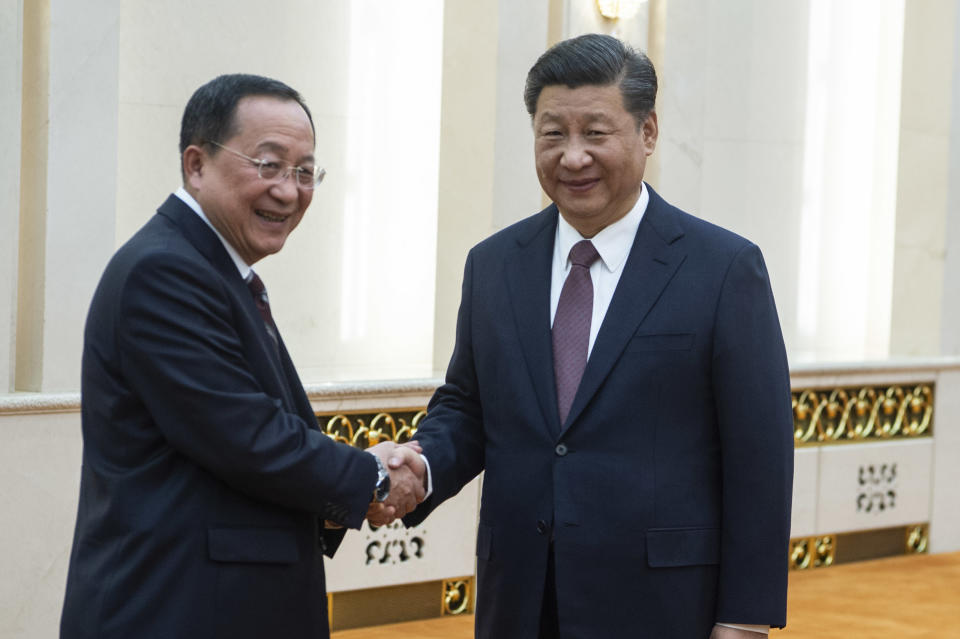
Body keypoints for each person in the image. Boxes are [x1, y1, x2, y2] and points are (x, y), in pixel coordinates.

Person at [404, 34, 794, 638]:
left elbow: (760, 460)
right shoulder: (494, 263)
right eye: (552, 133)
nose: (573, 156)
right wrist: (420, 467)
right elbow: (468, 408)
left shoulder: (721, 267)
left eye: (596, 132)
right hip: (521, 599)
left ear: (649, 132)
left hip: (662, 605)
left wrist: (744, 620)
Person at [60, 74, 425, 639]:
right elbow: (247, 436)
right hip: (176, 608)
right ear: (196, 165)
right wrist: (372, 476)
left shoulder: (213, 269)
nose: (289, 190)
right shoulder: (165, 271)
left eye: (306, 172)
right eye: (269, 164)